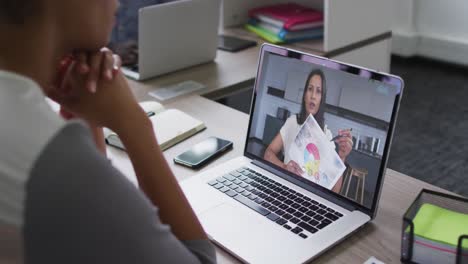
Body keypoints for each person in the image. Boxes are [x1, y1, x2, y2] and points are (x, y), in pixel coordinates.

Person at [0, 1, 215, 263]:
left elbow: (89, 228)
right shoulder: (48, 156)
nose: (118, 2)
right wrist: (134, 124)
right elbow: (198, 259)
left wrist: (82, 112)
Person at [264, 69, 353, 193]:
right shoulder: (292, 122)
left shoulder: (326, 135)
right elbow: (268, 153)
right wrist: (284, 167)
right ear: (304, 95)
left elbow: (335, 191)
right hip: (285, 190)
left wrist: (342, 157)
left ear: (322, 99)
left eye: (318, 91)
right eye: (310, 89)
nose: (313, 96)